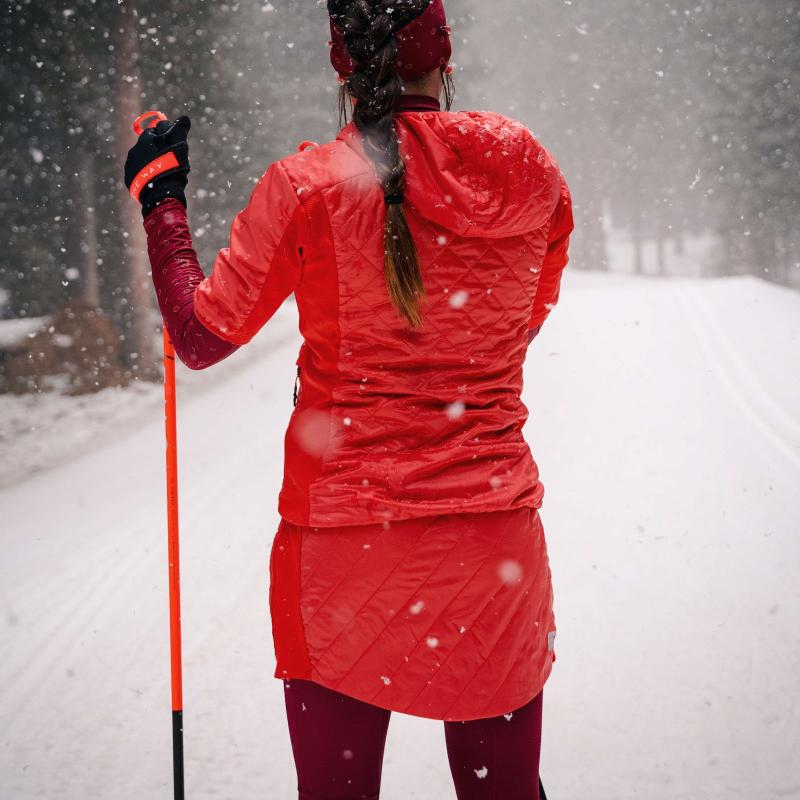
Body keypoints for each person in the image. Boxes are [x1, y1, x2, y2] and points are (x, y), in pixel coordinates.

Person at [124, 1, 573, 797]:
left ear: (343, 66)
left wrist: (162, 201)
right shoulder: (526, 167)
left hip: (343, 553)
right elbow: (521, 322)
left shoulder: (307, 188)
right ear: (446, 59)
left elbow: (201, 335)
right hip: (491, 552)